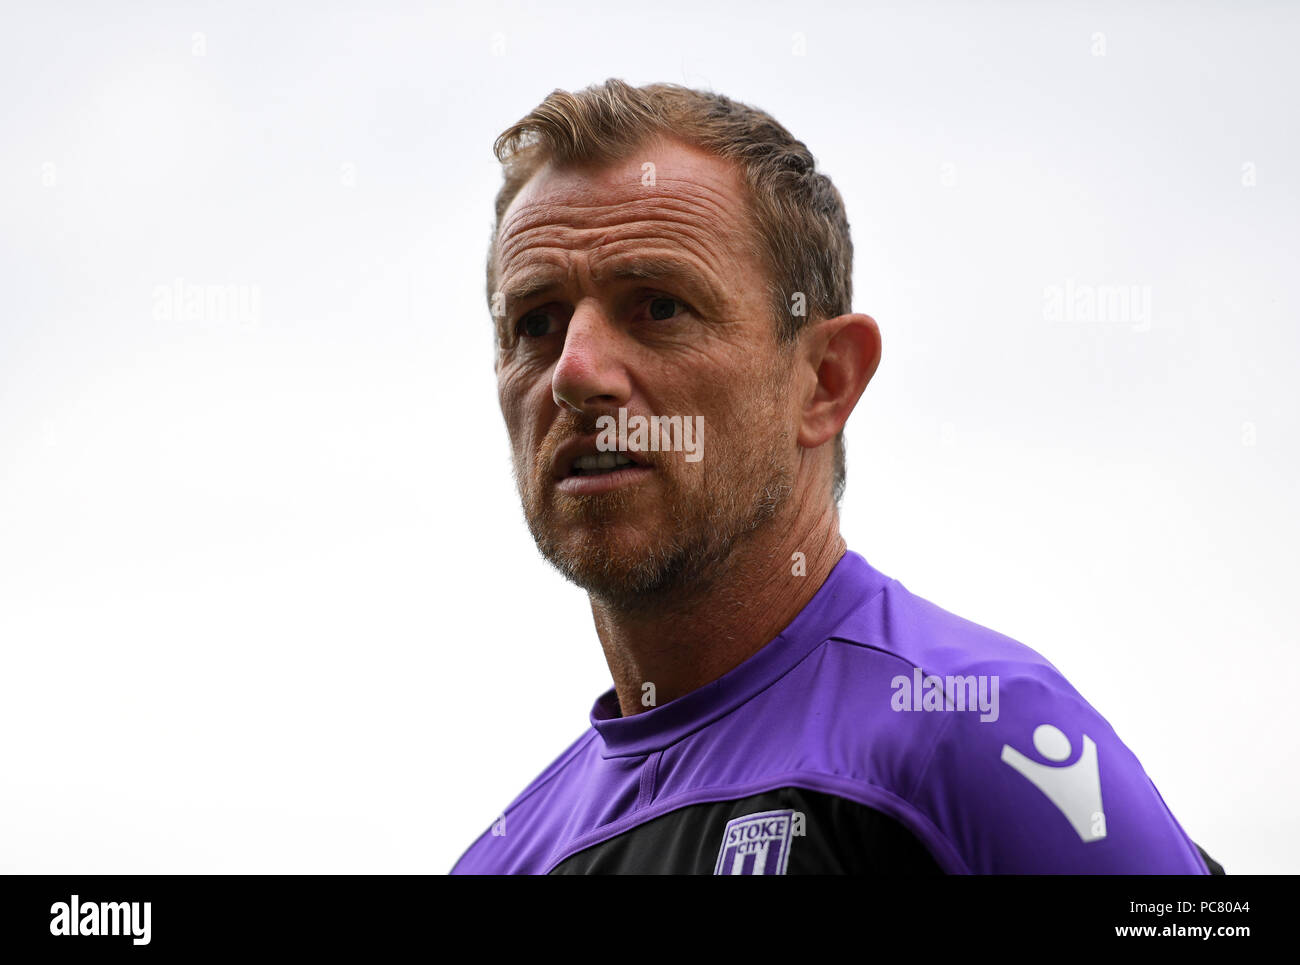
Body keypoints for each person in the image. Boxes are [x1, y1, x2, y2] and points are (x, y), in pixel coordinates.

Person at [451, 79, 1222, 875]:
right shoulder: (504, 859)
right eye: (535, 323)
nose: (576, 373)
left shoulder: (978, 735)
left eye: (659, 306)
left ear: (824, 382)